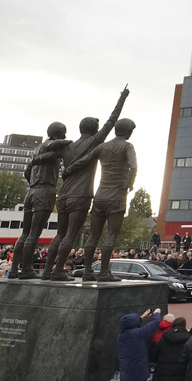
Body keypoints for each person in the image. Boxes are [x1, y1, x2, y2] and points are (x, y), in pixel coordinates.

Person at [42, 86, 129, 281]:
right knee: (71, 235)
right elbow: (112, 120)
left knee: (59, 234)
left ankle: (47, 271)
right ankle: (57, 272)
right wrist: (122, 97)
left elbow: (45, 156)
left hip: (63, 195)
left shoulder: (67, 146)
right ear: (94, 130)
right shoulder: (95, 142)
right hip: (80, 196)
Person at [66, 118, 138, 282]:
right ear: (128, 131)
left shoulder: (102, 146)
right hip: (117, 196)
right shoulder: (127, 146)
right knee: (111, 235)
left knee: (93, 236)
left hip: (99, 196)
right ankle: (104, 272)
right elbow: (133, 167)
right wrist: (129, 184)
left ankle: (87, 271)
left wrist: (68, 169)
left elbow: (83, 160)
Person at [10, 122, 70, 279]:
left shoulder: (36, 150)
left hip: (31, 191)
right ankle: (26, 270)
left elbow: (26, 172)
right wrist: (71, 143)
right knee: (34, 234)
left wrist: (33, 183)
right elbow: (60, 143)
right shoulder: (51, 145)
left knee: (25, 233)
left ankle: (15, 269)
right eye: (64, 132)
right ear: (59, 133)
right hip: (44, 191)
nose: (65, 135)